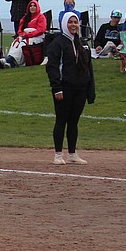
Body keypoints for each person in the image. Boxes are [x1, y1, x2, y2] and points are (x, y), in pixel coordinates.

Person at [45, 12, 95, 165]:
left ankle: (72, 153)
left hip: (81, 88)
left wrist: (90, 89)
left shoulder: (82, 43)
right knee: (61, 121)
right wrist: (56, 88)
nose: (73, 25)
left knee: (74, 121)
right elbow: (52, 67)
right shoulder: (58, 43)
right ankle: (58, 154)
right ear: (64, 24)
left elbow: (89, 67)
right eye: (70, 22)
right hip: (64, 88)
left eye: (76, 22)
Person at [16, 0, 47, 66]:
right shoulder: (25, 17)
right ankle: (10, 59)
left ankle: (14, 60)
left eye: (34, 6)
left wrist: (28, 35)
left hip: (37, 36)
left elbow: (41, 30)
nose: (32, 7)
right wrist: (22, 34)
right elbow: (20, 29)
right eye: (31, 6)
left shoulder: (41, 17)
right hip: (25, 35)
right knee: (15, 43)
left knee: (23, 44)